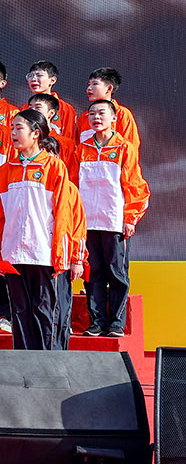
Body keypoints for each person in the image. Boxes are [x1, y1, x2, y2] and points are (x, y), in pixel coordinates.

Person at [0, 109, 86, 350]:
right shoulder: (2, 173)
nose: (13, 133)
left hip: (43, 254)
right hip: (13, 255)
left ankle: (47, 365)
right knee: (20, 312)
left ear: (36, 133)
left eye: (19, 128)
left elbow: (63, 215)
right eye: (12, 128)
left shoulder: (54, 167)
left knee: (44, 312)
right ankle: (26, 365)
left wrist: (64, 256)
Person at [72, 100, 149, 337]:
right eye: (92, 113)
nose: (96, 117)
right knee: (93, 273)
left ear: (114, 118)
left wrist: (130, 218)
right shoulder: (81, 149)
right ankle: (97, 322)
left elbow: (136, 187)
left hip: (114, 222)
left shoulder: (124, 148)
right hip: (88, 224)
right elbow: (73, 187)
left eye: (102, 113)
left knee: (116, 273)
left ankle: (116, 322)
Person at [76, 67, 141, 150]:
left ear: (109, 89)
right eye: (89, 85)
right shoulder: (84, 117)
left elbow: (130, 148)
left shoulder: (122, 114)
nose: (89, 88)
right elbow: (79, 148)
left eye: (95, 84)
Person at [25, 61, 76, 137]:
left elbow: (68, 139)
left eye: (39, 75)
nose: (33, 79)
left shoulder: (66, 108)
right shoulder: (25, 108)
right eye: (30, 76)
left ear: (52, 80)